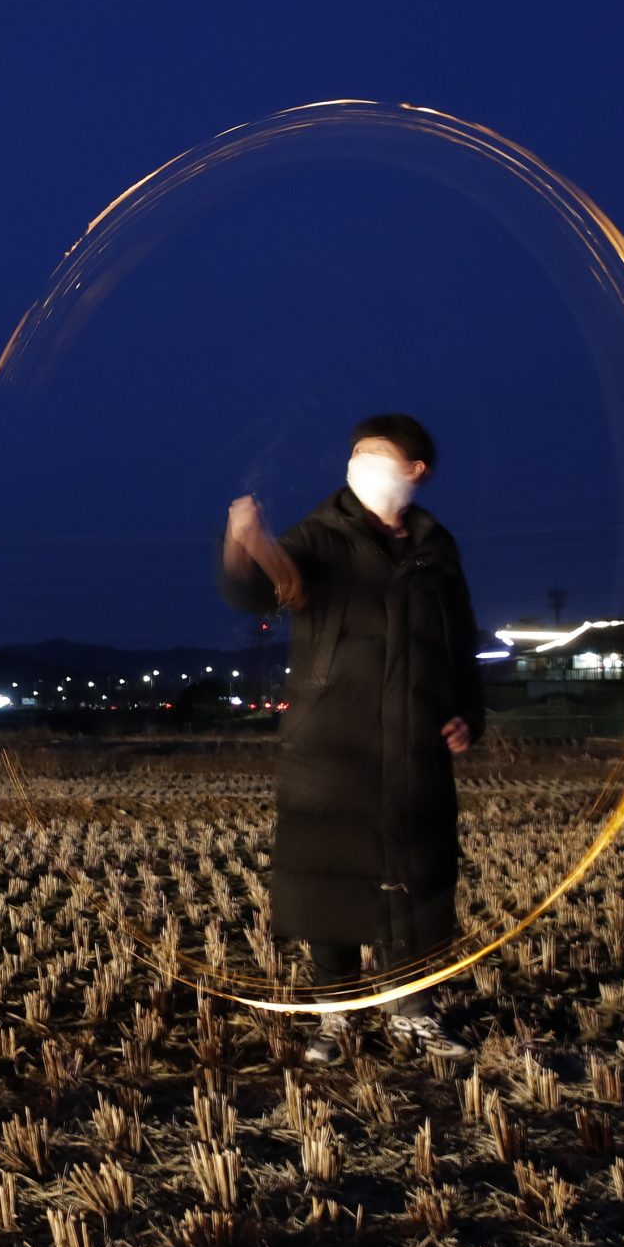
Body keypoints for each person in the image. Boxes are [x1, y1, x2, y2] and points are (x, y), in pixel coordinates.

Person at [219, 413, 483, 1062]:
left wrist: (466, 713)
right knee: (329, 884)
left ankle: (414, 1013)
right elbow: (258, 589)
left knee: (417, 884)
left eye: (377, 453)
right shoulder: (320, 535)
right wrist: (241, 539)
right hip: (329, 745)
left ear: (415, 468)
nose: (360, 462)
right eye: (357, 452)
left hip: (416, 746)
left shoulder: (437, 549)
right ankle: (336, 1017)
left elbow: (460, 644)